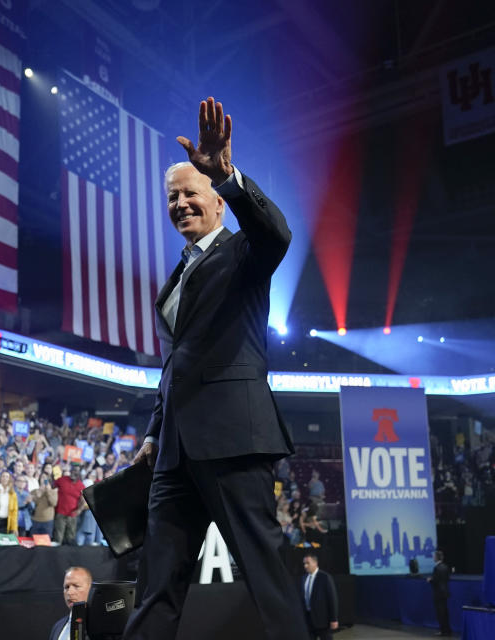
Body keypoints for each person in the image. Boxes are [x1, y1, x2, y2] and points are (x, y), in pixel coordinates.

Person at [126, 98, 306, 640]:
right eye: (172, 197)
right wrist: (155, 434)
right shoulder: (176, 278)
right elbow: (174, 365)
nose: (181, 203)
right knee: (155, 586)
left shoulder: (245, 254)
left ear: (219, 202)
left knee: (268, 580)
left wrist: (226, 174)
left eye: (191, 193)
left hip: (233, 439)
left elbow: (277, 233)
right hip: (174, 453)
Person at [300, 552, 338, 639]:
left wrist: (334, 619)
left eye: (307, 563)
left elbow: (332, 599)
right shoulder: (304, 578)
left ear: (315, 563)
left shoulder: (325, 577)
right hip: (308, 620)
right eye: (304, 563)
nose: (305, 566)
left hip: (323, 621)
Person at [48, 566, 93, 640]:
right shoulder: (58, 626)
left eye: (76, 586)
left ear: (91, 589)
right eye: (67, 587)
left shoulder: (101, 626)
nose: (69, 592)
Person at [53, 464, 85, 545]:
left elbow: (83, 500)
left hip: (72, 515)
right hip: (60, 513)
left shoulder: (81, 486)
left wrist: (79, 510)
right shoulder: (61, 480)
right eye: (72, 470)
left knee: (70, 538)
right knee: (58, 537)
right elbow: (52, 487)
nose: (73, 473)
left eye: (76, 471)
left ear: (79, 473)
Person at [428, 550, 452, 636]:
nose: (433, 558)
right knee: (445, 612)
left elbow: (435, 581)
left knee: (440, 613)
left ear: (437, 557)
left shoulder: (436, 568)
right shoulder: (445, 567)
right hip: (445, 592)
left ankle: (443, 631)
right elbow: (447, 578)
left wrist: (430, 580)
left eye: (434, 556)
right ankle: (447, 629)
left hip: (438, 593)